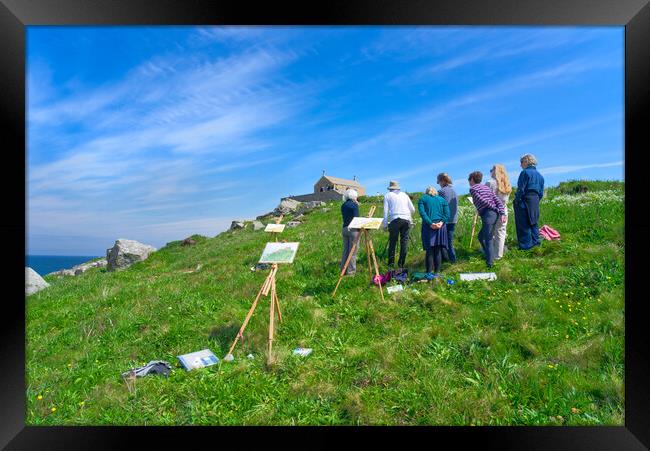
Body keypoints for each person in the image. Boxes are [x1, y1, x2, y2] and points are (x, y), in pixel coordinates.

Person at [468, 171, 506, 268]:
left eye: (469, 180)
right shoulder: (486, 188)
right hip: (494, 214)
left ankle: (490, 264)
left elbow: (482, 200)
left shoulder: (473, 189)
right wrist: (501, 212)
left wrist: (494, 208)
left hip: (488, 214)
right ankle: (488, 255)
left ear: (472, 179)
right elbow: (497, 200)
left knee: (488, 239)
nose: (469, 182)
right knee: (481, 236)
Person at [513, 153, 545, 250]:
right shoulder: (540, 175)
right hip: (535, 199)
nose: (520, 165)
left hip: (525, 199)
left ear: (526, 161)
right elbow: (541, 192)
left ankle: (525, 246)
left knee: (523, 223)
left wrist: (517, 200)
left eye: (521, 162)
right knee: (533, 221)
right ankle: (536, 243)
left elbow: (521, 189)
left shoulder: (525, 173)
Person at [382, 180, 416, 269]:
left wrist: (385, 225)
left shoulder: (387, 195)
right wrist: (407, 215)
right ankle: (401, 264)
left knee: (393, 242)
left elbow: (385, 211)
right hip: (406, 219)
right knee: (404, 242)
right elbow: (413, 209)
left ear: (390, 188)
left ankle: (391, 264)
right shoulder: (404, 195)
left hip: (395, 219)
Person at [418, 186, 450, 274]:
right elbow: (447, 213)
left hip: (429, 226)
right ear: (435, 192)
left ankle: (429, 272)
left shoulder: (423, 199)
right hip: (441, 226)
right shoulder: (442, 200)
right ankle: (437, 272)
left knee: (430, 249)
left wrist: (430, 223)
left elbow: (422, 213)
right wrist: (441, 222)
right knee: (438, 249)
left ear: (426, 192)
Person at [486, 164, 512, 260]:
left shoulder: (490, 183)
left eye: (491, 170)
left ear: (495, 171)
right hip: (503, 210)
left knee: (490, 232)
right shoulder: (506, 183)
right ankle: (498, 256)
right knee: (501, 232)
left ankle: (490, 254)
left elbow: (486, 198)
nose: (490, 172)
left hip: (492, 210)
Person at [436, 173, 458, 263]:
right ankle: (451, 260)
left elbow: (439, 206)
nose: (439, 184)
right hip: (453, 219)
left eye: (439, 182)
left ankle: (449, 259)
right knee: (450, 241)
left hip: (444, 220)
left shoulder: (441, 192)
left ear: (443, 181)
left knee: (442, 241)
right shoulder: (454, 191)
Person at [340, 189, 360, 275]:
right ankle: (351, 272)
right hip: (353, 229)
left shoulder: (343, 205)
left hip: (345, 228)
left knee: (346, 250)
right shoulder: (354, 205)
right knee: (353, 251)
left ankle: (343, 269)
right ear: (353, 196)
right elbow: (356, 218)